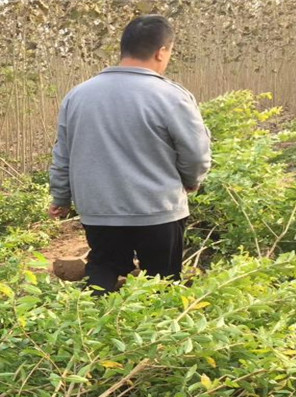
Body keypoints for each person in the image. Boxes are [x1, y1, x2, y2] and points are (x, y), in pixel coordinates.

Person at [48, 15, 211, 294]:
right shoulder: (171, 96)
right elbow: (196, 153)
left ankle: (90, 330)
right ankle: (156, 333)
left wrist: (61, 198)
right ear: (161, 51)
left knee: (103, 269)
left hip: (99, 211)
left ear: (124, 49)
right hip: (158, 210)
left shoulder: (78, 96)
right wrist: (191, 180)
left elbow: (63, 155)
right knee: (162, 282)